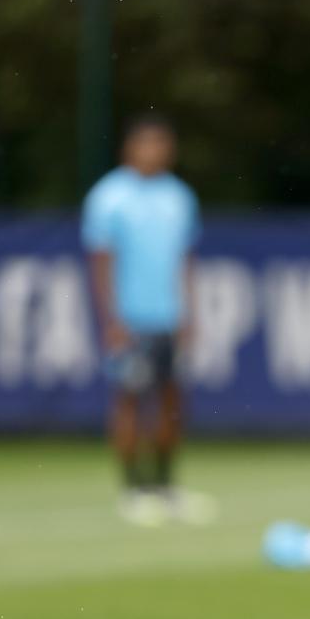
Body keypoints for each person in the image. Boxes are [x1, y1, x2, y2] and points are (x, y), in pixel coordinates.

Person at [82, 115, 213, 526]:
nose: (154, 152)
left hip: (170, 317)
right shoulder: (109, 196)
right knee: (130, 400)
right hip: (131, 318)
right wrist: (111, 319)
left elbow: (184, 261)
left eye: (161, 144)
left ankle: (165, 486)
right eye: (146, 144)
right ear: (129, 149)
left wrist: (189, 313)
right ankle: (132, 490)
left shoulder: (179, 197)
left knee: (172, 402)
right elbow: (101, 262)